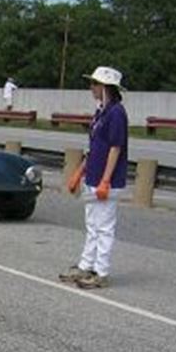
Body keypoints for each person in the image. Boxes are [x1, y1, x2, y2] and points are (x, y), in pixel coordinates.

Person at [59, 66, 128, 290]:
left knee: (104, 226)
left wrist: (106, 180)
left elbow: (115, 148)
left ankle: (101, 271)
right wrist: (80, 172)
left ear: (106, 87)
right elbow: (95, 147)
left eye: (95, 84)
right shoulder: (101, 112)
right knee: (92, 224)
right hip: (93, 177)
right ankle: (86, 265)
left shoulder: (117, 113)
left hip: (106, 180)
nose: (91, 88)